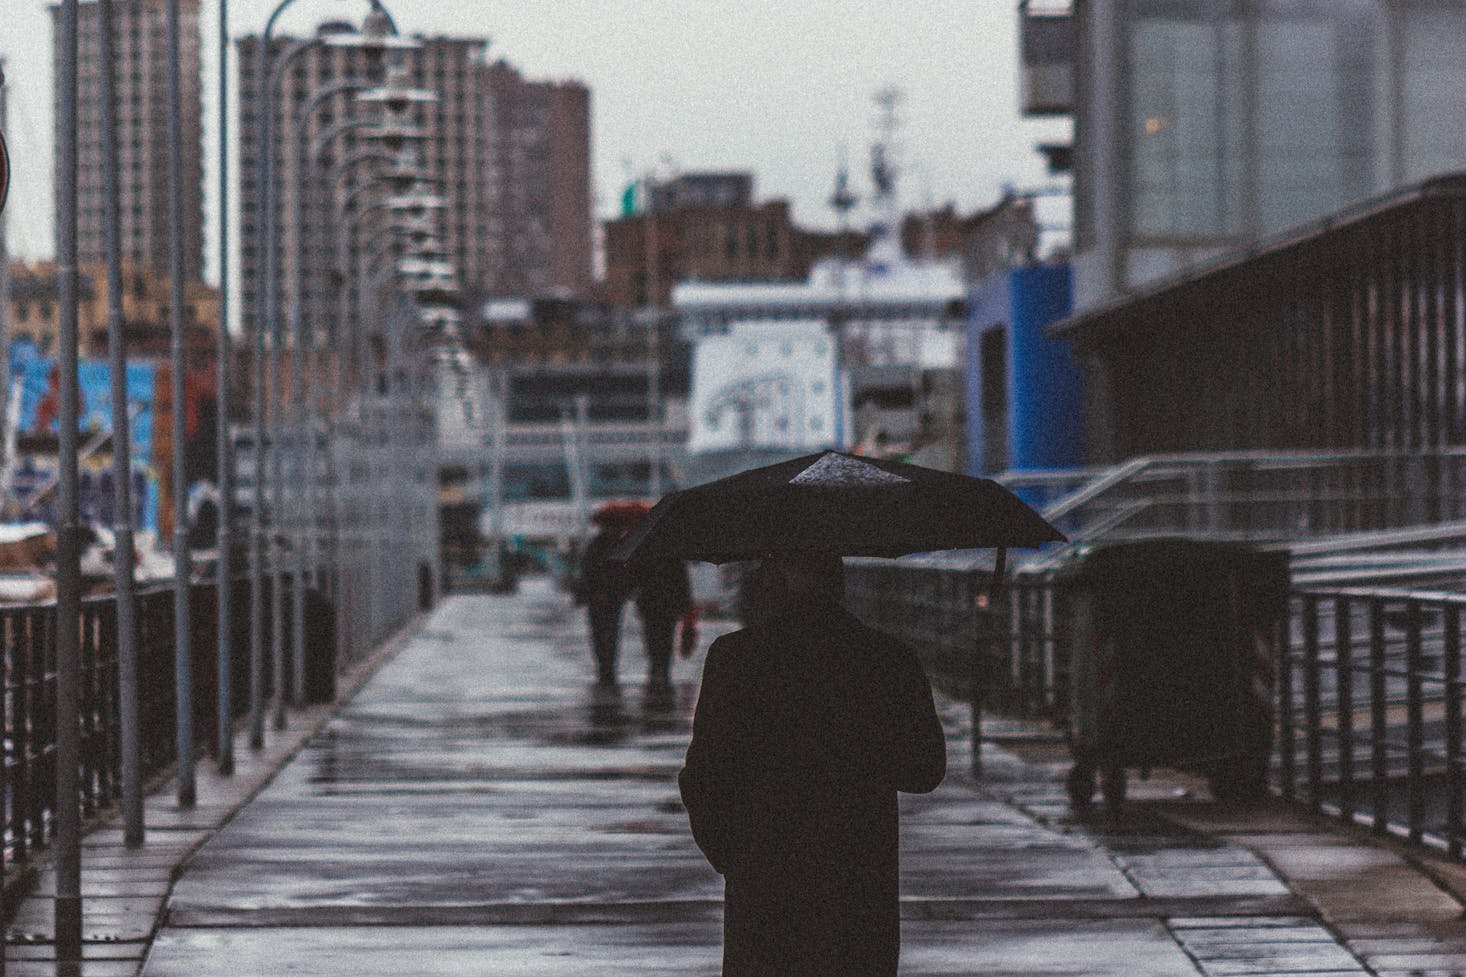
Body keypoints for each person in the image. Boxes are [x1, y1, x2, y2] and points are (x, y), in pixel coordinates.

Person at [679, 552, 946, 977]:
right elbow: (925, 769)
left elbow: (703, 778)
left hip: (764, 878)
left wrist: (734, 857)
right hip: (859, 877)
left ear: (778, 587)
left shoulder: (736, 658)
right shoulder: (890, 658)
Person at [575, 516, 633, 685]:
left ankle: (604, 667)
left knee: (601, 633)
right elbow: (624, 572)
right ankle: (607, 667)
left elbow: (586, 570)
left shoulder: (595, 545)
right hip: (607, 597)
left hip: (602, 597)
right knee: (609, 632)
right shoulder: (619, 546)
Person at [633, 558, 692, 689]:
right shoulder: (675, 559)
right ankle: (663, 668)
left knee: (652, 638)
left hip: (652, 605)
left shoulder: (646, 559)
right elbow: (682, 583)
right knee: (665, 638)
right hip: (666, 605)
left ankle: (656, 666)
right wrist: (685, 604)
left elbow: (637, 580)